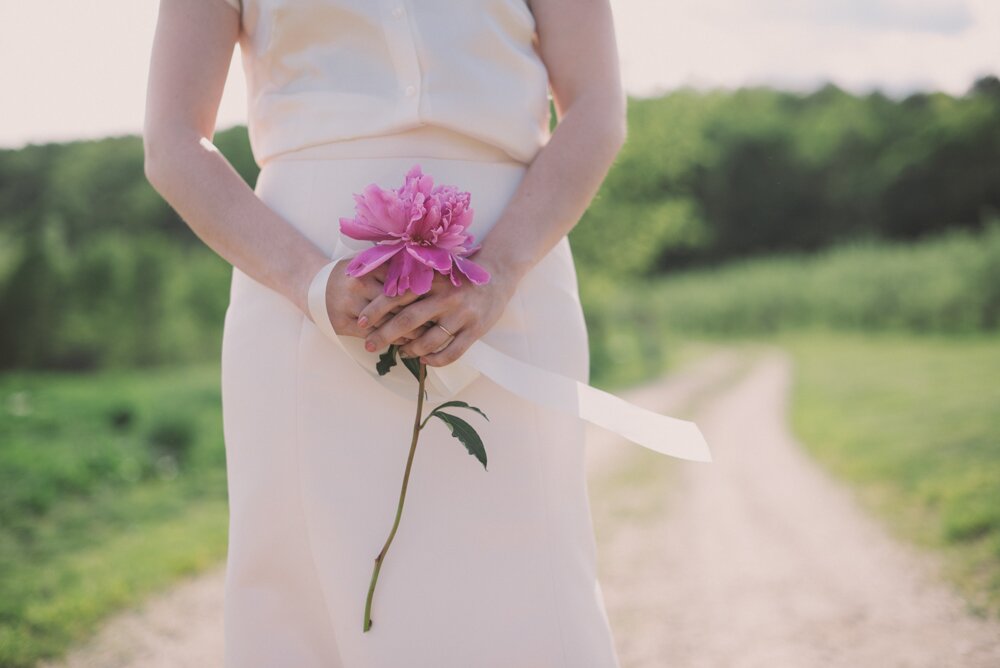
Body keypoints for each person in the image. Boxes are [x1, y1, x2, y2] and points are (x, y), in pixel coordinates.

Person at [143, 0, 634, 665]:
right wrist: (309, 280)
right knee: (307, 577)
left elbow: (597, 107)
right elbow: (172, 140)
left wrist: (502, 267)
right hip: (297, 292)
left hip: (512, 273)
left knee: (526, 563)